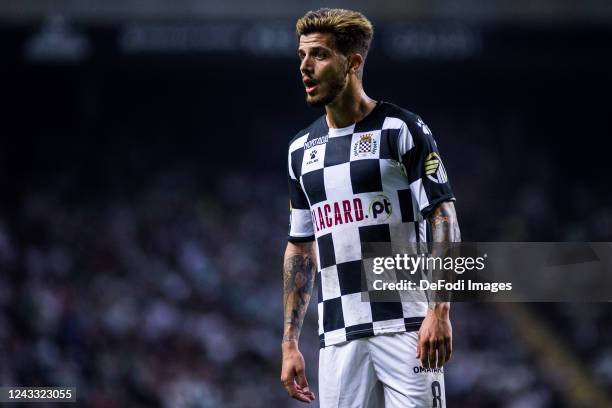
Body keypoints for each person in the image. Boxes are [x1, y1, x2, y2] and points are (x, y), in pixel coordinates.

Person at [281, 8, 461, 408]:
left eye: (319, 55)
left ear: (353, 62)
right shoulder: (300, 151)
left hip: (407, 327)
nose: (305, 68)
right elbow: (300, 247)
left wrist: (440, 310)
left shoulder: (401, 129)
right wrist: (290, 343)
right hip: (339, 338)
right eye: (301, 57)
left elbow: (442, 216)